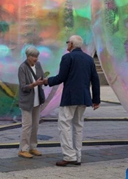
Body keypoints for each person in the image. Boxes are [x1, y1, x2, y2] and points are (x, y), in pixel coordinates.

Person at [43, 35, 100, 166]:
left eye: (67, 42)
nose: (67, 44)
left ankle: (69, 156)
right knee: (78, 126)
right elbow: (95, 79)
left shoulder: (67, 57)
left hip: (70, 97)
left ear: (71, 44)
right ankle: (77, 156)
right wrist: (96, 99)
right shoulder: (89, 59)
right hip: (84, 97)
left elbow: (61, 77)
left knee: (65, 125)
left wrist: (47, 81)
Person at [17, 46, 45, 158]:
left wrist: (43, 80)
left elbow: (41, 77)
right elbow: (23, 86)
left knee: (35, 125)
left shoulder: (38, 65)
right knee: (27, 125)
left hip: (37, 100)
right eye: (33, 56)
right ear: (28, 56)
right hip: (27, 101)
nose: (36, 59)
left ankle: (33, 147)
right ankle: (24, 149)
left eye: (37, 56)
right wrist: (34, 84)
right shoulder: (22, 68)